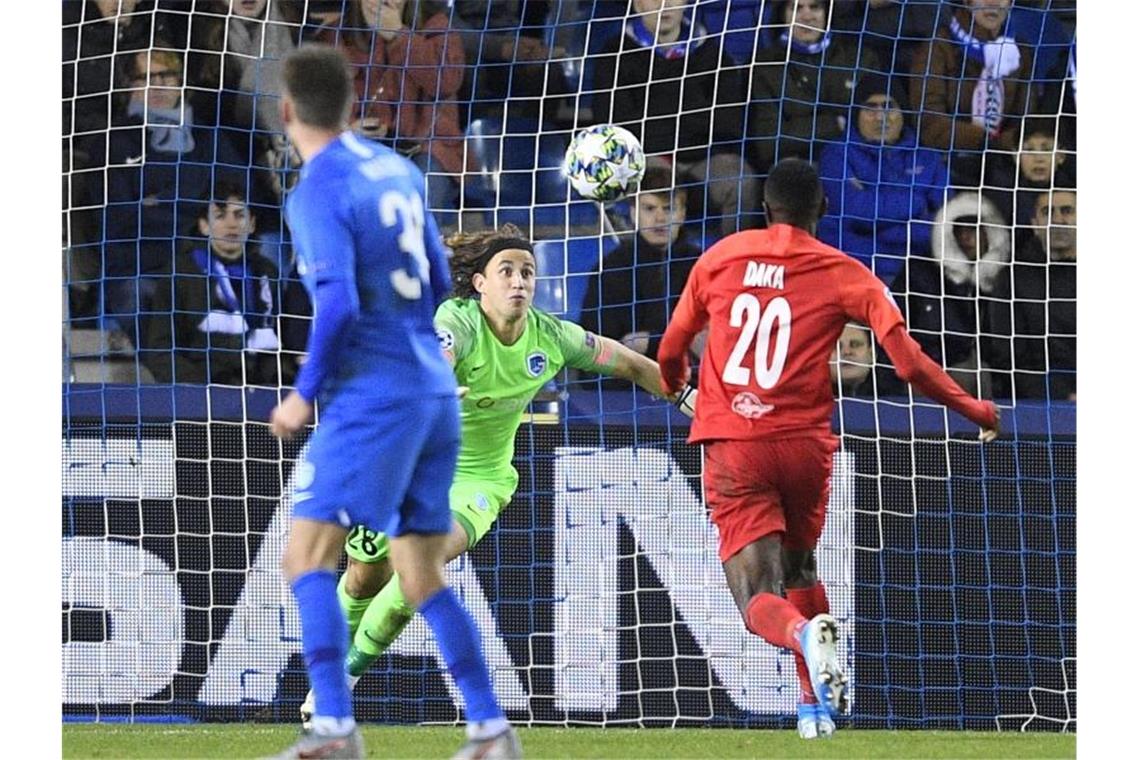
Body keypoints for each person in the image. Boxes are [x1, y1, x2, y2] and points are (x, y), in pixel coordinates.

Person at [298, 222, 697, 730]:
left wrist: (686, 396)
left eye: (527, 272)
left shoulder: (553, 337)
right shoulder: (456, 321)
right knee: (362, 577)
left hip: (480, 480)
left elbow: (634, 367)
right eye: (505, 270)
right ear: (480, 283)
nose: (519, 281)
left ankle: (345, 680)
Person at [657, 159, 1000, 741]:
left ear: (766, 208)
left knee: (759, 597)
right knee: (800, 567)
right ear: (822, 210)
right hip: (804, 447)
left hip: (736, 444)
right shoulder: (849, 274)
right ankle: (812, 706)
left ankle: (802, 637)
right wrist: (976, 409)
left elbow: (671, 348)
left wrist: (676, 384)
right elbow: (908, 362)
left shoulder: (718, 258)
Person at [267, 44, 516, 760]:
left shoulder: (317, 189)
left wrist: (301, 395)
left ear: (287, 112)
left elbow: (338, 303)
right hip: (435, 394)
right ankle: (489, 729)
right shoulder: (401, 170)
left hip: (375, 395)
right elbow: (440, 274)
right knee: (418, 571)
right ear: (350, 106)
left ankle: (335, 730)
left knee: (308, 560)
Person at [591, 0, 756, 236]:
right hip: (647, 160)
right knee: (652, 182)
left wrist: (661, 122)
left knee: (742, 181)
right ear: (638, 6)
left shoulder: (712, 54)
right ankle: (645, 263)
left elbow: (727, 121)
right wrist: (688, 123)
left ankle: (729, 260)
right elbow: (615, 125)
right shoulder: (614, 54)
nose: (664, 6)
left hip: (702, 161)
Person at [338, 0, 467, 230]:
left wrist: (399, 36)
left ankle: (420, 262)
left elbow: (446, 81)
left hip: (427, 148)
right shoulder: (337, 34)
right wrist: (349, 128)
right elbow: (321, 103)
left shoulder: (438, 28)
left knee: (420, 191)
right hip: (363, 148)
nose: (384, 2)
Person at [142, 180, 285, 386]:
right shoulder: (180, 273)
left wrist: (279, 379)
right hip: (201, 392)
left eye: (239, 215)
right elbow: (160, 351)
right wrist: (205, 383)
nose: (231, 224)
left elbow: (283, 343)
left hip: (261, 390)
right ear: (204, 226)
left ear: (252, 224)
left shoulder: (268, 273)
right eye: (220, 215)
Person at [818, 73, 951, 290]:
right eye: (870, 108)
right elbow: (855, 211)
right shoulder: (836, 155)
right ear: (856, 115)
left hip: (919, 274)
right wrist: (915, 204)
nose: (881, 117)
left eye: (889, 106)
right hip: (856, 272)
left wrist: (886, 230)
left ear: (903, 114)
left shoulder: (928, 158)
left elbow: (945, 222)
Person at [580, 165, 701, 367]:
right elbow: (597, 344)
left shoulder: (701, 265)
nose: (660, 218)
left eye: (668, 208)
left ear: (682, 214)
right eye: (649, 208)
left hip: (690, 380)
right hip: (625, 385)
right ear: (634, 213)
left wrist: (652, 341)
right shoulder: (612, 268)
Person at [748, 0, 883, 175]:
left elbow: (874, 122)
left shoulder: (861, 58)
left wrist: (799, 127)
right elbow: (769, 141)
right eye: (797, 8)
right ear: (782, 15)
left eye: (815, 7)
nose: (807, 16)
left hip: (857, 157)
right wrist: (835, 124)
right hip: (799, 164)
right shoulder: (764, 66)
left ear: (827, 12)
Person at [908, 0, 1034, 187]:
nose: (993, 3)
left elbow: (1027, 119)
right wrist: (985, 141)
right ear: (967, 2)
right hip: (946, 164)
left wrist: (1006, 143)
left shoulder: (1020, 50)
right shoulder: (938, 47)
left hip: (1003, 164)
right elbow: (929, 121)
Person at [904, 192, 1010, 398]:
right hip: (931, 374)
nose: (965, 237)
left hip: (998, 382)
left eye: (974, 229)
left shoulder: (1010, 278)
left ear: (991, 232)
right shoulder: (919, 274)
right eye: (959, 230)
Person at [989, 189, 1076, 401]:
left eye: (1067, 211)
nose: (1058, 220)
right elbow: (1008, 355)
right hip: (1042, 399)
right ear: (1035, 224)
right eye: (1048, 212)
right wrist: (1064, 394)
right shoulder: (1012, 278)